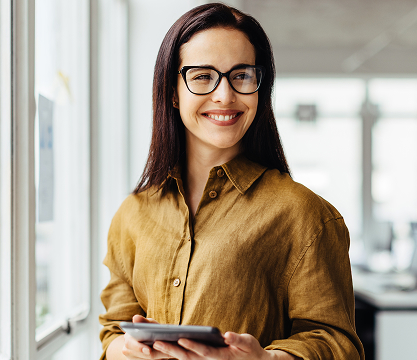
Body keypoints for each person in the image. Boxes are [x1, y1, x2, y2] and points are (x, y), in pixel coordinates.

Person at [99, 3, 364, 360]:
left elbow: (338, 343)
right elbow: (113, 329)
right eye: (203, 76)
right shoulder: (134, 212)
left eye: (241, 76)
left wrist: (265, 359)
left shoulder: (304, 213)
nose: (225, 95)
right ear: (173, 91)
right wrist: (131, 350)